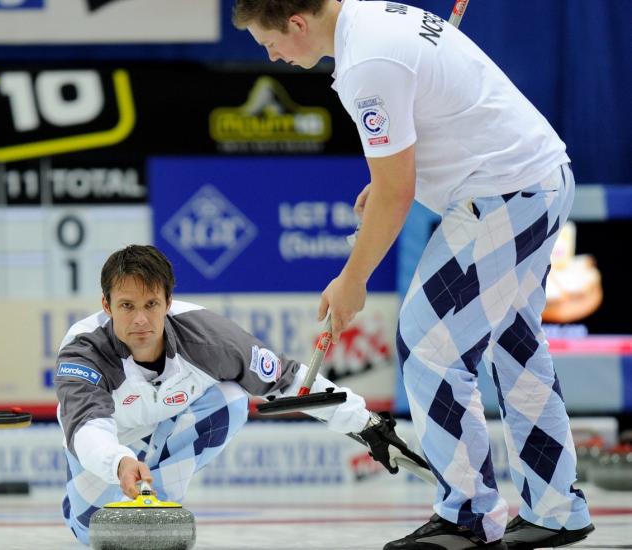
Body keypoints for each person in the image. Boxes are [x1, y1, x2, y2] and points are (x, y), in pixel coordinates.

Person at [232, 1, 594, 549]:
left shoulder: (365, 63)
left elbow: (398, 192)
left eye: (269, 42)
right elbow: (411, 149)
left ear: (298, 24)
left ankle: (468, 517)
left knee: (430, 347)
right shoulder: (373, 20)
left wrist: (352, 279)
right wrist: (387, 185)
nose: (273, 55)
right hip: (533, 182)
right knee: (515, 346)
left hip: (504, 194)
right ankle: (557, 508)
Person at [54, 244, 422, 545]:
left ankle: (159, 504)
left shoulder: (209, 339)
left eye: (151, 304)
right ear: (107, 306)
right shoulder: (82, 351)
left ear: (168, 301)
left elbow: (290, 380)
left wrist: (365, 422)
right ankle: (114, 503)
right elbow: (88, 430)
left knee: (231, 398)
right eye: (126, 306)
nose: (140, 320)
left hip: (165, 430)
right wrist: (119, 462)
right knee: (92, 530)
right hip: (108, 448)